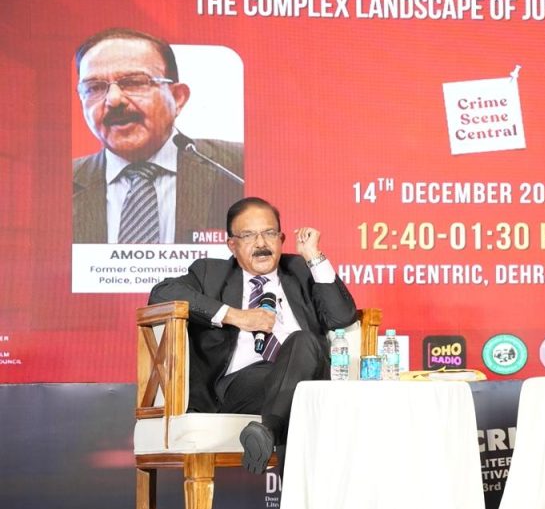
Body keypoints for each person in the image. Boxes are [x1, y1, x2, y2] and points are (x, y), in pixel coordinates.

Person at [149, 197, 357, 474]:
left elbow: (342, 317)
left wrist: (314, 256)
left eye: (270, 233)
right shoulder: (210, 273)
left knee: (302, 344)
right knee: (301, 400)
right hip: (243, 386)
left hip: (307, 376)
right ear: (232, 245)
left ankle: (268, 430)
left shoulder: (300, 270)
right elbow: (161, 293)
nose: (261, 243)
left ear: (282, 239)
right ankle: (298, 493)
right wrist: (235, 316)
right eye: (248, 235)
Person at [73, 27, 243, 244]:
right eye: (94, 87)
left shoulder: (237, 167)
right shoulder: (59, 186)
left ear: (177, 98)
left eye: (134, 82)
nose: (113, 100)